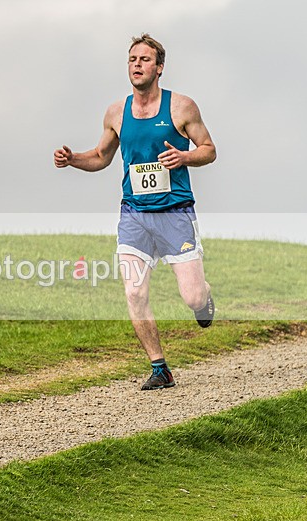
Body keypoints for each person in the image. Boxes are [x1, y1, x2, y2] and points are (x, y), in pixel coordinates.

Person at [54, 34, 216, 390]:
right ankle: (160, 368)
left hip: (175, 213)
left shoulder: (182, 107)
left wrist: (185, 156)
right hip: (134, 215)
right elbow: (100, 157)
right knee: (134, 293)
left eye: (144, 59)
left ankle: (205, 299)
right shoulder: (116, 112)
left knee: (192, 297)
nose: (137, 65)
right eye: (132, 59)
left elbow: (209, 150)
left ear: (159, 68)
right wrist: (72, 160)